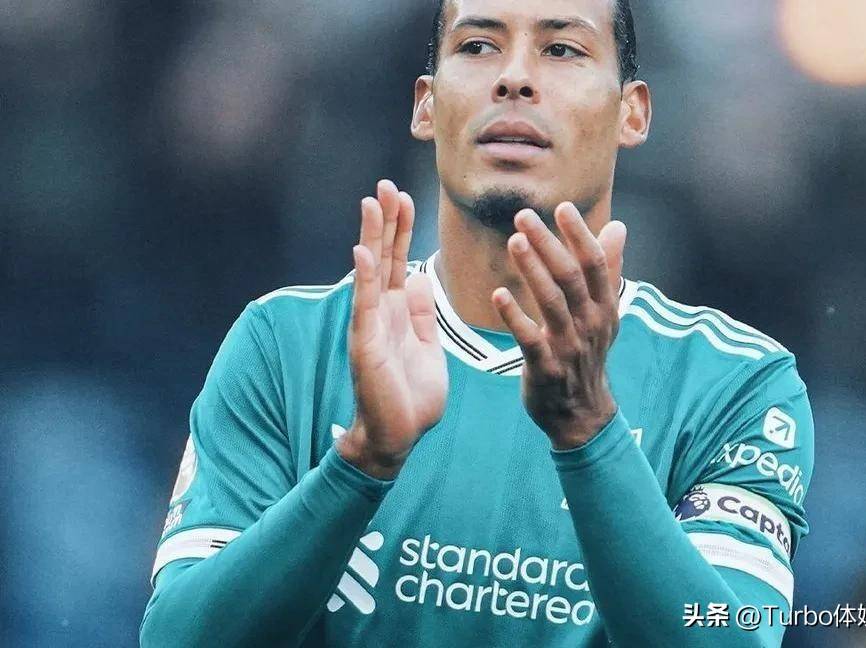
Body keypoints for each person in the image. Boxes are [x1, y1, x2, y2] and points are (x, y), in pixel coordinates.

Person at [140, 1, 814, 646]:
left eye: (561, 49)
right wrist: (360, 464)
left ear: (631, 113)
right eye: (478, 45)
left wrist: (589, 435)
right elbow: (178, 637)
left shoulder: (735, 385)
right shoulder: (285, 344)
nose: (514, 77)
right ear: (425, 105)